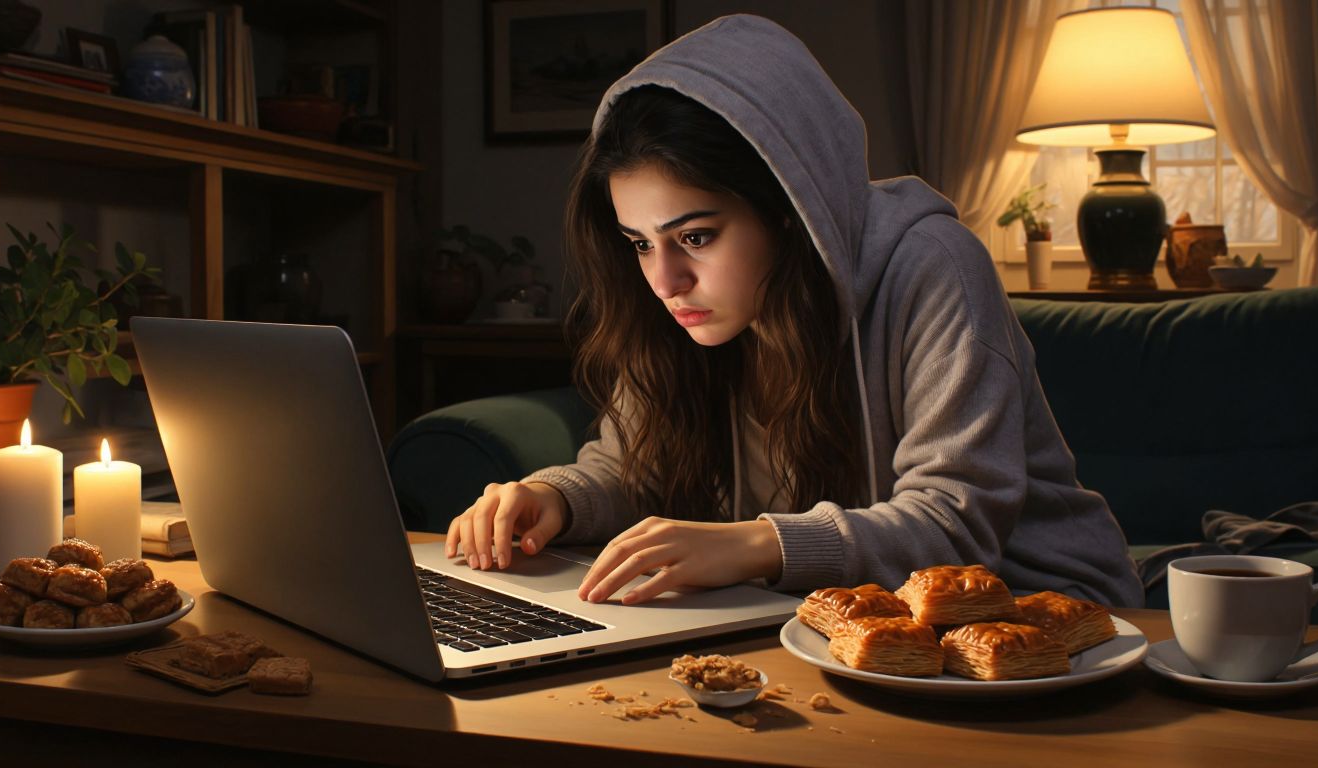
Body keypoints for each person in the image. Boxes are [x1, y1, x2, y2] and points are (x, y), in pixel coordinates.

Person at [445, 14, 1145, 608]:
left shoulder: (934, 263)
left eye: (695, 237)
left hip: (1038, 612)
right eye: (639, 244)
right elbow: (634, 469)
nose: (665, 279)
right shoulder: (688, 310)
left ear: (789, 210)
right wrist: (554, 498)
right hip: (830, 622)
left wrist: (757, 543)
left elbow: (956, 524)